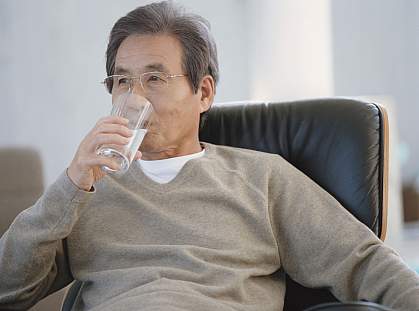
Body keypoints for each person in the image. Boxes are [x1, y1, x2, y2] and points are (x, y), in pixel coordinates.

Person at [1, 1, 418, 310]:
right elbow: (9, 290)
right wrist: (70, 185)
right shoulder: (84, 190)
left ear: (203, 93)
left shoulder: (262, 179)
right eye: (121, 81)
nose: (134, 96)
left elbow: (364, 263)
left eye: (154, 78)